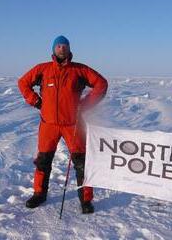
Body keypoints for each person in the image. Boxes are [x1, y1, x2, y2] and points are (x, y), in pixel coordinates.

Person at [18, 35, 108, 214]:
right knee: (43, 161)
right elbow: (23, 83)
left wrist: (85, 105)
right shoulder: (43, 69)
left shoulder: (79, 70)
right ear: (53, 49)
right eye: (58, 46)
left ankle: (86, 200)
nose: (61, 48)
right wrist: (36, 101)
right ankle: (39, 194)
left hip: (73, 125)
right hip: (48, 125)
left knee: (82, 163)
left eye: (64, 46)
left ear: (69, 49)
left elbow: (101, 84)